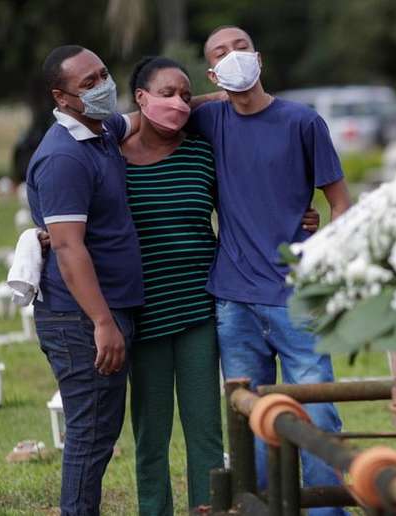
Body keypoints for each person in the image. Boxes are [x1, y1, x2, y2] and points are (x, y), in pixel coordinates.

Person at [121, 56, 322, 515]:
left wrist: (300, 215)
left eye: (185, 95)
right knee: (151, 434)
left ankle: (206, 509)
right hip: (144, 313)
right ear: (140, 98)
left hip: (198, 307)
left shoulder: (199, 152)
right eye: (166, 93)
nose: (177, 103)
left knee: (207, 431)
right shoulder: (114, 158)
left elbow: (248, 201)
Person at [192, 26, 352, 515]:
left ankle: (326, 508)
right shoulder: (211, 120)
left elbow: (340, 203)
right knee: (253, 414)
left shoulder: (302, 121)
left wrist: (324, 258)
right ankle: (262, 506)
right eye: (220, 53)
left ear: (258, 57)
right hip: (234, 298)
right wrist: (214, 92)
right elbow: (166, 106)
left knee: (317, 409)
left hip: (295, 294)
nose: (233, 56)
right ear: (212, 73)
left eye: (240, 48)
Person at [26, 45, 143, 516]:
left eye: (103, 75)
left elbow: (139, 116)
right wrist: (102, 322)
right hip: (80, 318)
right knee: (90, 435)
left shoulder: (100, 132)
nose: (102, 87)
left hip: (105, 308)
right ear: (63, 97)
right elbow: (70, 248)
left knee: (99, 432)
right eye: (88, 84)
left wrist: (206, 102)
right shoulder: (63, 158)